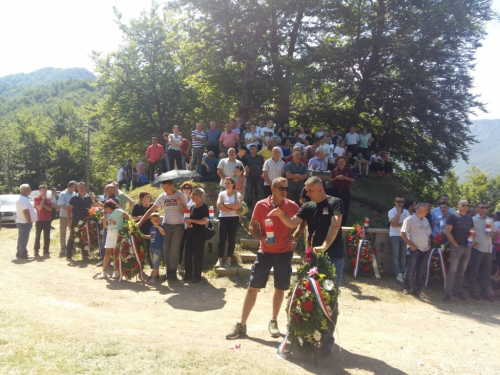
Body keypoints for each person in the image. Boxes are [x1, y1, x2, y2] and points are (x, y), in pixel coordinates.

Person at [268, 176, 344, 353]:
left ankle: (327, 339)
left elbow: (335, 224)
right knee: (309, 295)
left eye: (310, 191)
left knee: (329, 296)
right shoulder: (308, 206)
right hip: (313, 258)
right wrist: (281, 214)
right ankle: (309, 333)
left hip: (334, 256)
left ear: (319, 188)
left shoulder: (335, 202)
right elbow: (293, 222)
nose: (306, 194)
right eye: (306, 191)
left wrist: (325, 246)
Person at [226, 177, 301, 340]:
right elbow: (252, 226)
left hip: (284, 253)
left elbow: (303, 220)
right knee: (253, 287)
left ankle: (273, 321)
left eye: (286, 189)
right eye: (281, 188)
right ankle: (242, 324)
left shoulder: (292, 206)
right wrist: (261, 237)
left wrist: (296, 234)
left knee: (280, 289)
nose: (284, 191)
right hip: (265, 252)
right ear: (273, 189)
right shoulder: (261, 205)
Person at [444, 200, 474, 302]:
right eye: (463, 205)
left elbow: (472, 230)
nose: (465, 207)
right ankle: (447, 293)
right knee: (453, 270)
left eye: (467, 205)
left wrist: (472, 242)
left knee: (462, 271)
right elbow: (448, 232)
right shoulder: (452, 216)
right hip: (457, 247)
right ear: (458, 206)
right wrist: (455, 244)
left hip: (467, 247)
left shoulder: (469, 217)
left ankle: (456, 291)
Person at [468, 202, 498, 301]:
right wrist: (472, 242)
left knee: (486, 272)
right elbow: (469, 232)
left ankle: (485, 292)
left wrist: (492, 234)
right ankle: (473, 291)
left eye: (485, 207)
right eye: (482, 207)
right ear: (477, 209)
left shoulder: (490, 220)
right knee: (474, 271)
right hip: (477, 249)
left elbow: (493, 234)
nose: (484, 209)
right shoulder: (473, 220)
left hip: (488, 249)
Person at [400, 203, 431, 297]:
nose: (427, 211)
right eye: (426, 210)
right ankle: (407, 287)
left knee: (421, 270)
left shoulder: (426, 220)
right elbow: (402, 233)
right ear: (419, 211)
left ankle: (417, 289)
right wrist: (411, 245)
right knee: (410, 269)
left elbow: (429, 233)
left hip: (425, 249)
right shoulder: (409, 219)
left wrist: (429, 243)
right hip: (414, 249)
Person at [97, 200, 130, 279]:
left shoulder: (118, 211)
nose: (105, 210)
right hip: (110, 233)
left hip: (117, 232)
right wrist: (104, 216)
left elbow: (127, 216)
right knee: (107, 252)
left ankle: (116, 271)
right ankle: (104, 272)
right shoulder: (108, 214)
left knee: (115, 252)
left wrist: (126, 227)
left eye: (105, 208)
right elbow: (105, 225)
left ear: (108, 207)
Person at [183, 188, 210, 282]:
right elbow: (189, 219)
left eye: (193, 194)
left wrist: (192, 221)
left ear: (198, 196)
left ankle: (197, 276)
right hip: (190, 233)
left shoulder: (204, 207)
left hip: (199, 235)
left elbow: (204, 221)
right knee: (187, 255)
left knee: (198, 255)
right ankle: (188, 275)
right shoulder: (192, 207)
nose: (191, 196)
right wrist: (188, 222)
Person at [216, 177, 242, 268]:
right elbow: (219, 205)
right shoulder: (222, 194)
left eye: (228, 183)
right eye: (225, 183)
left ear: (233, 184)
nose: (226, 185)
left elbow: (238, 205)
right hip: (223, 218)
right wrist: (231, 208)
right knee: (221, 239)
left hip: (234, 218)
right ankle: (219, 260)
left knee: (232, 239)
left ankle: (228, 260)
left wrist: (226, 205)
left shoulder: (237, 194)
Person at [66, 182, 93, 261]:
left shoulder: (88, 198)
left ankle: (85, 254)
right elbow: (69, 211)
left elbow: (91, 209)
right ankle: (68, 255)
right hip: (76, 221)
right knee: (72, 237)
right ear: (77, 189)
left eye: (82, 187)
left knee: (85, 237)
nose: (81, 189)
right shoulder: (74, 198)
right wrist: (69, 222)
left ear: (85, 188)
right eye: (79, 187)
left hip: (86, 221)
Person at [388, 195, 411, 282]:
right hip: (394, 235)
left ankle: (404, 272)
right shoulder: (391, 211)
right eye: (398, 201)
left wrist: (397, 225)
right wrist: (398, 213)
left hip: (404, 235)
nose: (400, 203)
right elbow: (394, 224)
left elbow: (408, 225)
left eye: (401, 202)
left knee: (403, 255)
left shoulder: (406, 212)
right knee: (395, 255)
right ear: (395, 202)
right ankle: (398, 273)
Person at [329, 155, 355, 226]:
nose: (341, 163)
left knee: (345, 209)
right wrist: (335, 178)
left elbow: (353, 180)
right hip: (335, 193)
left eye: (342, 161)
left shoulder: (348, 170)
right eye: (339, 161)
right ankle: (334, 224)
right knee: (334, 208)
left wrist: (345, 178)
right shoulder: (334, 170)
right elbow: (330, 181)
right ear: (337, 163)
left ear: (345, 163)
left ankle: (343, 224)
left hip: (345, 193)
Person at [131, 191, 154, 265]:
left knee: (151, 247)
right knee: (141, 247)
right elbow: (132, 218)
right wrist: (140, 218)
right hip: (140, 229)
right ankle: (141, 265)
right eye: (146, 196)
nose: (148, 198)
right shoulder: (137, 207)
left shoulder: (152, 206)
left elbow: (156, 216)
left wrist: (150, 217)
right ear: (141, 198)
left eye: (149, 196)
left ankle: (152, 265)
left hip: (150, 229)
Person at [15, 184, 37, 259]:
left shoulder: (23, 198)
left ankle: (19, 252)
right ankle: (23, 253)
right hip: (24, 222)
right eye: (28, 188)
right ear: (24, 190)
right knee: (24, 238)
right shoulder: (23, 199)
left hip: (22, 221)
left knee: (21, 238)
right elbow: (26, 212)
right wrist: (29, 221)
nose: (30, 189)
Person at [178, 182, 195, 272]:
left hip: (189, 226)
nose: (186, 190)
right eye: (184, 188)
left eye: (188, 188)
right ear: (181, 189)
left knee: (189, 247)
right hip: (180, 225)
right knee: (180, 246)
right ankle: (179, 265)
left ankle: (188, 266)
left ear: (191, 190)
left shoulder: (193, 201)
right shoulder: (179, 199)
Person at [58, 181, 77, 257]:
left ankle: (72, 247)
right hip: (63, 216)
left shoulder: (74, 194)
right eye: (74, 187)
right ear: (70, 186)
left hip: (73, 216)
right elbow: (61, 205)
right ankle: (63, 248)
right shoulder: (63, 194)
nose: (75, 188)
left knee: (72, 232)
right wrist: (69, 210)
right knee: (63, 232)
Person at [33, 184, 53, 257]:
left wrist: (44, 203)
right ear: (39, 191)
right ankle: (36, 250)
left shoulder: (49, 198)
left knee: (47, 236)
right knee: (38, 235)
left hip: (47, 220)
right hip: (39, 220)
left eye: (45, 190)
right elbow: (39, 208)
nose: (44, 191)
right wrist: (43, 200)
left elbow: (50, 209)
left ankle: (46, 250)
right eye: (42, 190)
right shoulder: (36, 198)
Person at [145, 212, 165, 284]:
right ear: (151, 221)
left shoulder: (161, 227)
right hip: (151, 247)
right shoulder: (151, 228)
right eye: (154, 220)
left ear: (159, 219)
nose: (156, 221)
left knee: (156, 263)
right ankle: (157, 275)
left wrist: (158, 227)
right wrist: (143, 235)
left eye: (157, 219)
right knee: (154, 263)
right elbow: (151, 236)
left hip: (158, 248)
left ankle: (153, 278)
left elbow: (164, 233)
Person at [243, 145, 264, 210]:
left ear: (257, 150)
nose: (253, 150)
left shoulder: (260, 157)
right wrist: (246, 173)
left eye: (254, 149)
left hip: (258, 177)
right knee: (249, 192)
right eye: (252, 149)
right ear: (250, 150)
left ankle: (258, 207)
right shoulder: (246, 157)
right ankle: (249, 207)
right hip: (249, 177)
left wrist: (262, 173)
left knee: (258, 192)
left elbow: (263, 166)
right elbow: (245, 167)